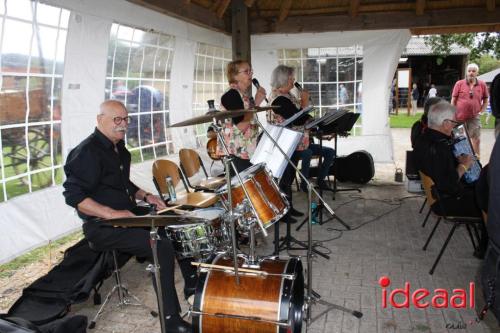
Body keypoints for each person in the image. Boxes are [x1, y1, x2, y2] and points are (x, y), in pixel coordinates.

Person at [63, 100, 195, 333]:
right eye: (117, 119)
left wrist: (146, 196)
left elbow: (121, 183)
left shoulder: (119, 148)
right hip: (102, 225)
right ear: (99, 119)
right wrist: (112, 214)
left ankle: (193, 290)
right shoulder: (86, 152)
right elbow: (74, 197)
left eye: (126, 119)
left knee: (176, 221)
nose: (123, 125)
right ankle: (171, 322)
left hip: (128, 215)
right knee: (159, 247)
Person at [413, 101, 487, 257]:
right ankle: (485, 249)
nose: (454, 125)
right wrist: (464, 166)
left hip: (438, 195)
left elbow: (441, 172)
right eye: (454, 122)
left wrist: (457, 162)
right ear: (445, 123)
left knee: (485, 190)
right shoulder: (440, 147)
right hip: (446, 201)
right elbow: (451, 186)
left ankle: (484, 243)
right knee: (489, 200)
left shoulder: (424, 138)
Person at [269, 65, 335, 192]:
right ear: (285, 79)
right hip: (288, 146)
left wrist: (321, 131)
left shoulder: (287, 96)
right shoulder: (279, 99)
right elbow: (298, 119)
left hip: (299, 142)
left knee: (328, 152)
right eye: (291, 77)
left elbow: (303, 119)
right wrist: (304, 102)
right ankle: (297, 193)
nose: (294, 80)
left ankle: (319, 182)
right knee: (286, 180)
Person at [217, 60, 266, 174]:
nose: (250, 74)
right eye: (246, 71)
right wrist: (257, 103)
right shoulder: (231, 95)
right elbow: (241, 127)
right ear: (235, 76)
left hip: (245, 152)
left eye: (251, 71)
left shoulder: (242, 95)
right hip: (236, 155)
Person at [451, 63, 489, 157]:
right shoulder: (459, 83)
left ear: (477, 73)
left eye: (473, 71)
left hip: (474, 118)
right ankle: (460, 160)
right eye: (469, 71)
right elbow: (453, 99)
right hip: (459, 118)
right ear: (466, 72)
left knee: (476, 140)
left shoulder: (482, 84)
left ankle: (477, 162)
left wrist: (482, 111)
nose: (471, 73)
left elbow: (485, 99)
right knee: (459, 140)